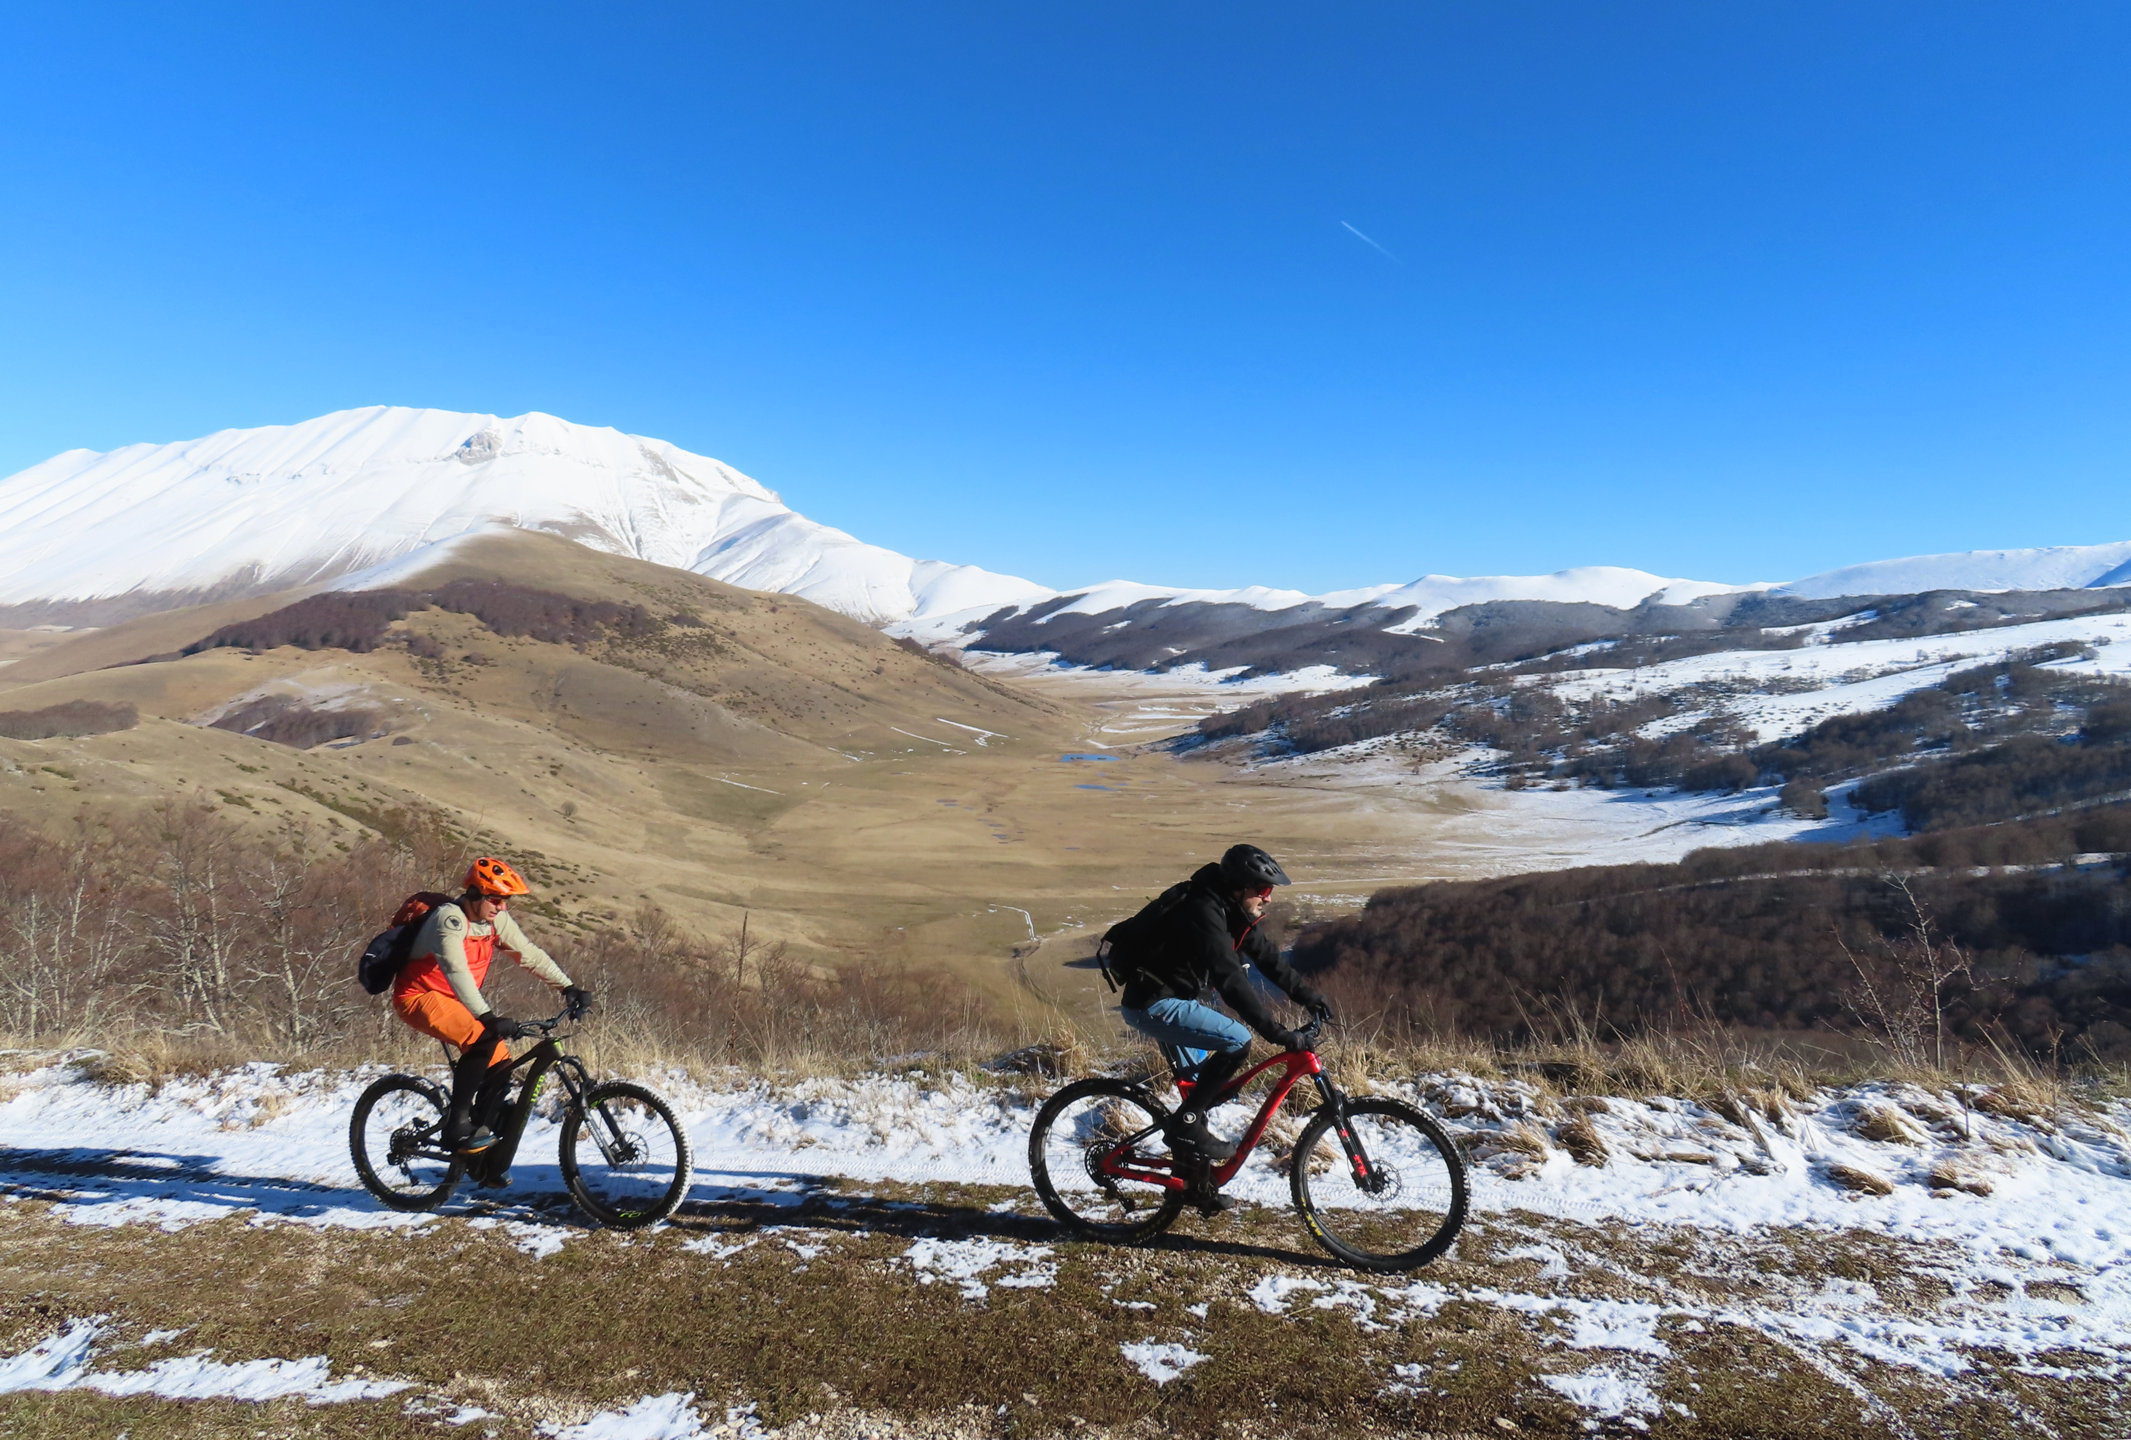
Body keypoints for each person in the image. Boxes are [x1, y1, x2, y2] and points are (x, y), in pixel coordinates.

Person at [1115, 843, 1332, 1210]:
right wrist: (1274, 1032)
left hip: (1176, 1000)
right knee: (1237, 1039)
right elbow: (1230, 981)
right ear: (1239, 888)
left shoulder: (1233, 912)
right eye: (1262, 890)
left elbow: (1269, 961)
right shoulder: (1205, 910)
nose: (1267, 898)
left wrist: (1310, 997)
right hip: (1152, 1003)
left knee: (1198, 1096)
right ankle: (1184, 1128)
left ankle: (1194, 1186)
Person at [390, 856, 591, 1159]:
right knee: (482, 1039)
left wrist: (567, 986)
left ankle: (482, 1153)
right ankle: (456, 1128)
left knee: (500, 1061)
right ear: (473, 894)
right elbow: (456, 972)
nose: (502, 907)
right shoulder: (449, 920)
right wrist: (487, 1017)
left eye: (506, 900)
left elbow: (528, 953)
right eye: (496, 899)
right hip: (418, 997)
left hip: (453, 1001)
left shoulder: (494, 920)